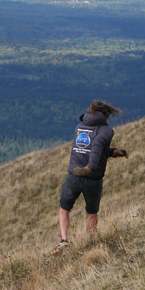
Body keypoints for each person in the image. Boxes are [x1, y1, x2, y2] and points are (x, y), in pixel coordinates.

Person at [53, 100, 129, 254]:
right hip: (92, 178)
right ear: (105, 114)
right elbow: (97, 146)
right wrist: (90, 168)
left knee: (64, 208)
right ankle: (90, 244)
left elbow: (90, 148)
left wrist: (113, 152)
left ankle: (64, 241)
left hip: (73, 175)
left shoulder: (79, 127)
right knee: (91, 212)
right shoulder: (106, 130)